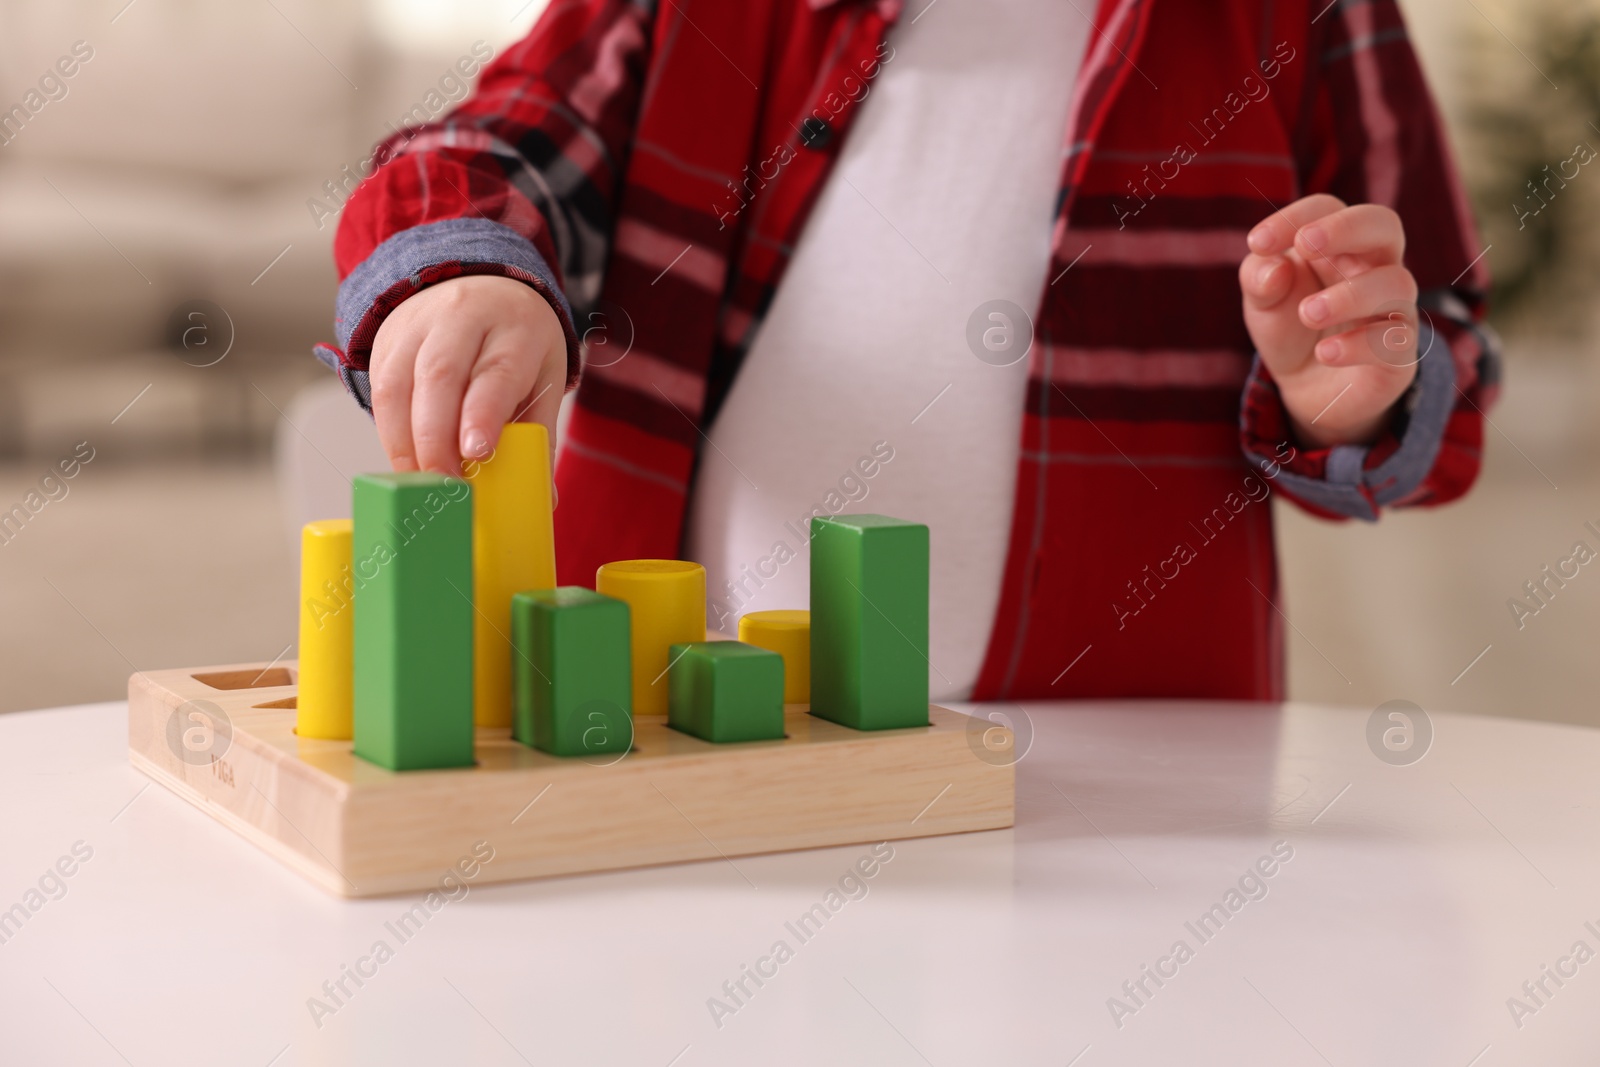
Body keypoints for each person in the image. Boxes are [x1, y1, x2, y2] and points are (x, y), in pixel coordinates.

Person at [315, 0, 1500, 703]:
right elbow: (494, 146)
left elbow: (1442, 335)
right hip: (659, 727)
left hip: (1132, 758)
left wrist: (1343, 393)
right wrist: (466, 268)